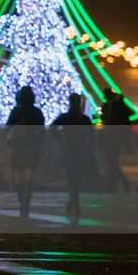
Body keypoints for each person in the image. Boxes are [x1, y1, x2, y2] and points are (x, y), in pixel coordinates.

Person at [50, 93, 93, 223]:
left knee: (71, 178)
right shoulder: (85, 119)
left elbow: (52, 128)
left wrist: (61, 138)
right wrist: (88, 147)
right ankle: (75, 203)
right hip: (81, 150)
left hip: (68, 150)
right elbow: (91, 136)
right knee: (77, 179)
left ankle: (73, 203)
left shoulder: (64, 117)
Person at [5, 86, 45, 218]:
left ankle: (21, 202)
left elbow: (8, 129)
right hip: (31, 148)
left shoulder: (16, 112)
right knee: (29, 177)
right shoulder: (37, 112)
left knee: (18, 177)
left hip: (17, 149)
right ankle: (27, 203)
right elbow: (41, 132)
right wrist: (36, 143)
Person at [100, 90, 133, 192]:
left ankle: (122, 183)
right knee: (112, 162)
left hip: (114, 136)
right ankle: (117, 184)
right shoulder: (119, 104)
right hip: (115, 135)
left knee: (111, 162)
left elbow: (107, 119)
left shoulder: (115, 106)